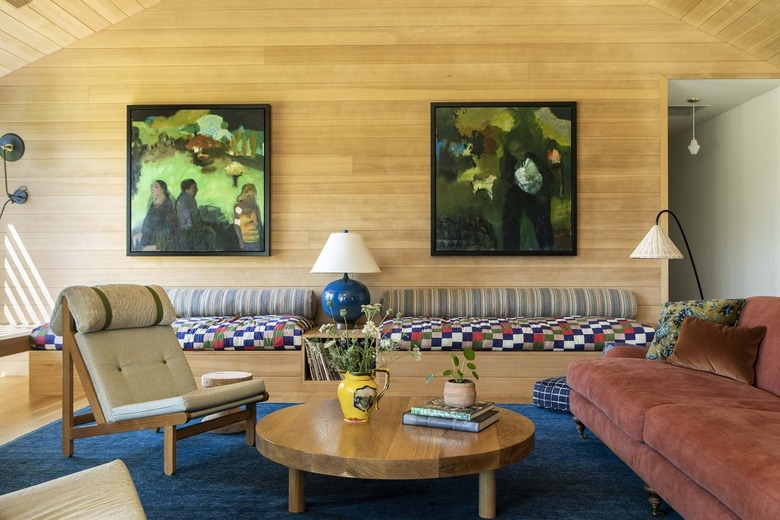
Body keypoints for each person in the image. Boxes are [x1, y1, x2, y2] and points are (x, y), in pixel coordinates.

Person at [501, 135, 555, 251]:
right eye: (515, 151)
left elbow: (548, 177)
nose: (520, 153)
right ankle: (511, 250)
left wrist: (543, 193)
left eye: (521, 149)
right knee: (510, 219)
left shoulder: (534, 160)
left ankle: (546, 248)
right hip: (519, 195)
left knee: (542, 220)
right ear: (510, 153)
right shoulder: (510, 165)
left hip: (537, 196)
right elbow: (509, 179)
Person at [132, 180, 179, 251]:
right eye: (152, 187)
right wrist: (141, 233)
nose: (152, 189)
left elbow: (169, 228)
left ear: (163, 190)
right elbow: (147, 221)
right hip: (149, 238)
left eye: (156, 187)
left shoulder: (167, 205)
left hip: (160, 243)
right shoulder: (153, 205)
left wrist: (157, 246)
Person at [175, 179, 215, 250]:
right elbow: (194, 221)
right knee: (212, 233)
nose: (197, 190)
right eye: (194, 188)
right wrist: (207, 228)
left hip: (184, 233)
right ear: (187, 189)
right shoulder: (189, 199)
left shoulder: (181, 198)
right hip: (190, 234)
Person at [233, 183, 263, 252]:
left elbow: (259, 227)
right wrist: (240, 241)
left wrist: (255, 221)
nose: (251, 198)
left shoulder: (256, 207)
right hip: (244, 242)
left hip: (256, 242)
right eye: (248, 195)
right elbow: (236, 226)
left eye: (252, 195)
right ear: (244, 196)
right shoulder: (238, 207)